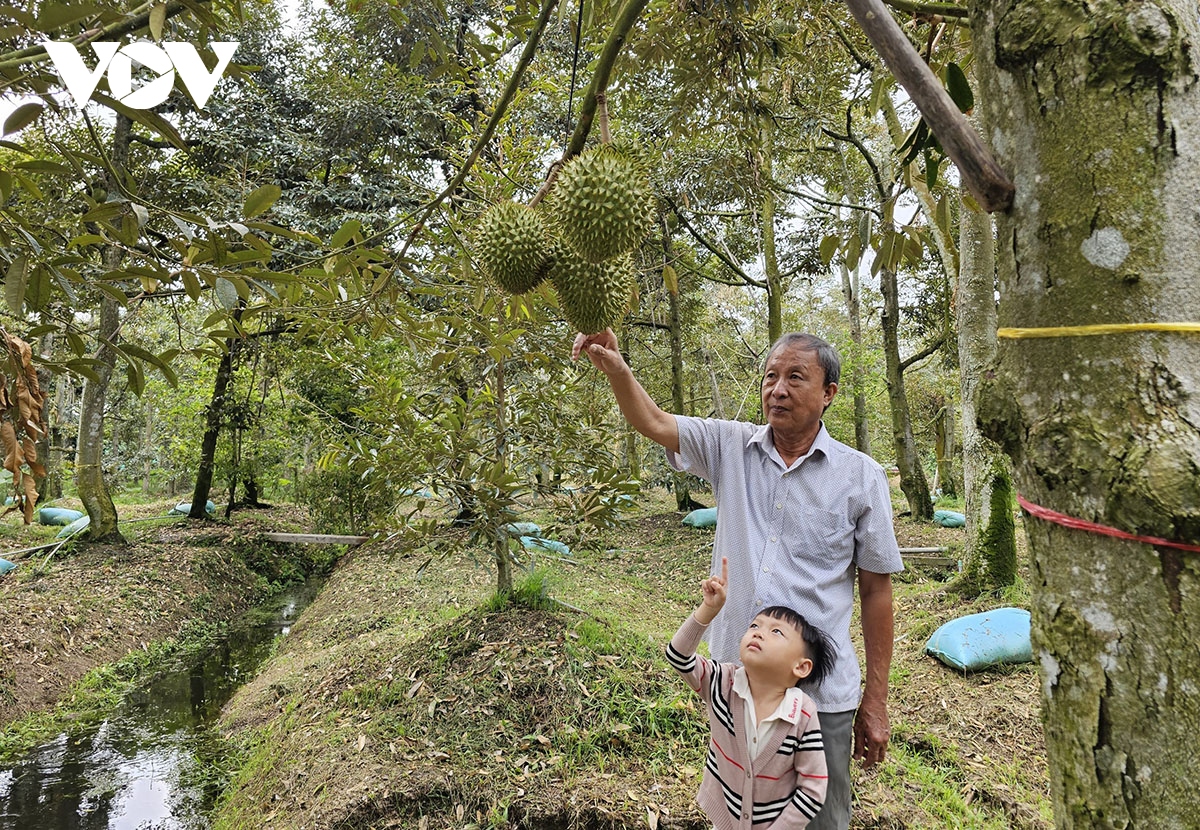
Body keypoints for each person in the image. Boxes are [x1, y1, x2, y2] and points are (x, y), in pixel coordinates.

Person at [572, 328, 903, 830]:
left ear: (829, 393)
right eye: (771, 377)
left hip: (820, 693)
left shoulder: (861, 477)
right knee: (739, 809)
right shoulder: (731, 447)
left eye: (796, 377)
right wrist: (619, 369)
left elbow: (877, 592)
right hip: (739, 687)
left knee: (820, 819)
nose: (778, 389)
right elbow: (656, 422)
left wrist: (876, 701)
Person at [667, 555, 834, 829]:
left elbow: (813, 788)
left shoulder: (802, 714)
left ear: (801, 667)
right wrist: (707, 610)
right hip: (723, 816)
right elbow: (678, 656)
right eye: (754, 626)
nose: (758, 633)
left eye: (776, 632)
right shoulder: (722, 682)